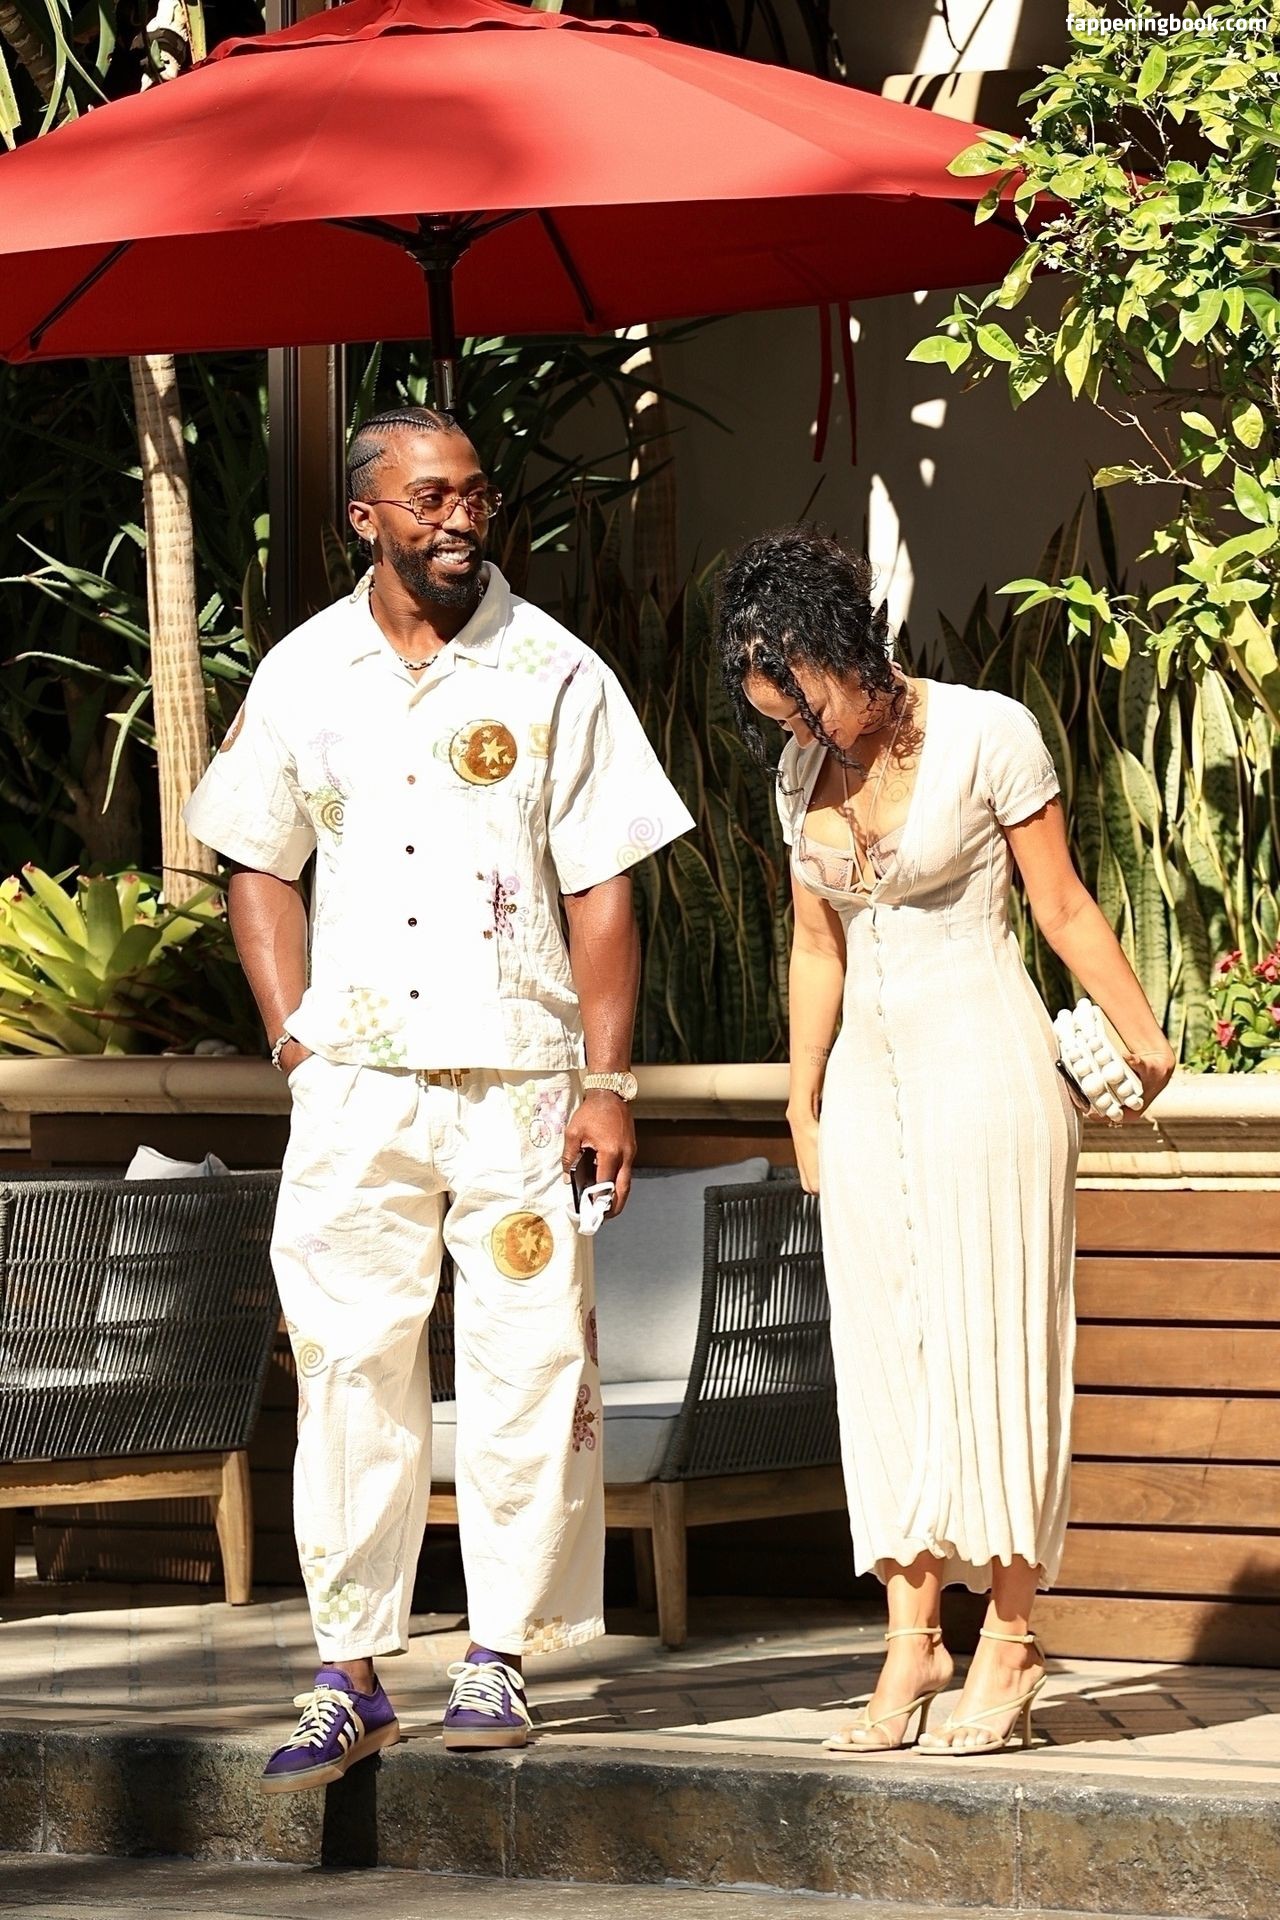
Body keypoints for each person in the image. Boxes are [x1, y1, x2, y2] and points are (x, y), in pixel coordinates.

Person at [184, 405, 693, 1792]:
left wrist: (607, 1081)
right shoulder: (304, 672)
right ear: (365, 518)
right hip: (357, 1091)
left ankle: (497, 1654)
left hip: (522, 1088)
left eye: (474, 494)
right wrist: (296, 1044)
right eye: (429, 498)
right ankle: (347, 1673)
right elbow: (255, 859)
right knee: (349, 1368)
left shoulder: (556, 669)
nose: (460, 517)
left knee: (528, 1362)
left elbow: (603, 886)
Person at [715, 526, 1175, 1757]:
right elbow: (814, 945)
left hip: (984, 1065)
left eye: (806, 704)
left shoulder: (985, 732)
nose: (801, 733)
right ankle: (911, 1637)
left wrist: (1142, 1034)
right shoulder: (797, 771)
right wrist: (800, 1101)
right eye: (778, 718)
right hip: (865, 1087)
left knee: (996, 1343)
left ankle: (1010, 1639)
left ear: (843, 647)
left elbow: (1059, 903)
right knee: (884, 1358)